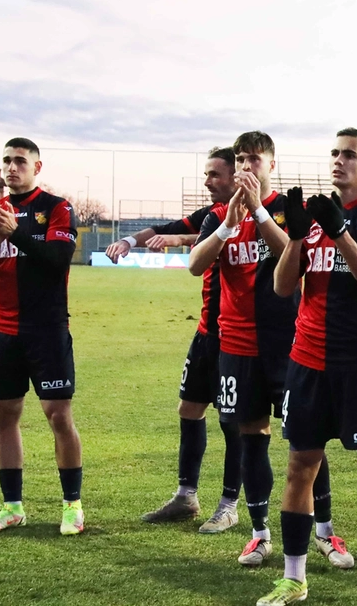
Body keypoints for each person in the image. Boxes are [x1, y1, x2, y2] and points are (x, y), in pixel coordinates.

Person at [257, 129, 357, 606]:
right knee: (300, 467)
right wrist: (299, 238)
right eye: (335, 153)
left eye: (350, 155)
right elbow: (284, 288)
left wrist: (341, 230)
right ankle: (294, 579)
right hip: (307, 361)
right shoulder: (312, 217)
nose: (339, 161)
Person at [187, 133, 353, 570]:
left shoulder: (288, 210)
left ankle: (325, 531)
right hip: (237, 347)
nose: (245, 166)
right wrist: (227, 225)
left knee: (306, 441)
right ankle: (259, 535)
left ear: (271, 165)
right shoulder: (220, 214)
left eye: (253, 159)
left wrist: (259, 212)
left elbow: (293, 262)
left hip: (289, 346)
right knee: (251, 437)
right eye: (239, 158)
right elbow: (195, 265)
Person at [108, 148, 244, 533]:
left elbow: (195, 239)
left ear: (239, 175)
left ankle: (229, 504)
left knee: (234, 422)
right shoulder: (212, 214)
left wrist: (180, 240)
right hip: (205, 331)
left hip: (238, 337)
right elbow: (165, 229)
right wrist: (129, 241)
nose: (207, 181)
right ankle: (186, 497)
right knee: (189, 409)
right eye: (206, 174)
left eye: (215, 174)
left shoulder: (257, 217)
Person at [0, 138, 85, 535]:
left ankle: (72, 506)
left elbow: (56, 260)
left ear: (37, 167)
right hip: (2, 331)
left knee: (58, 415)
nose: (11, 167)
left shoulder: (56, 208)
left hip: (46, 330)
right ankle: (12, 507)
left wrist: (14, 234)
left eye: (20, 161)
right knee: (4, 415)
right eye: (6, 161)